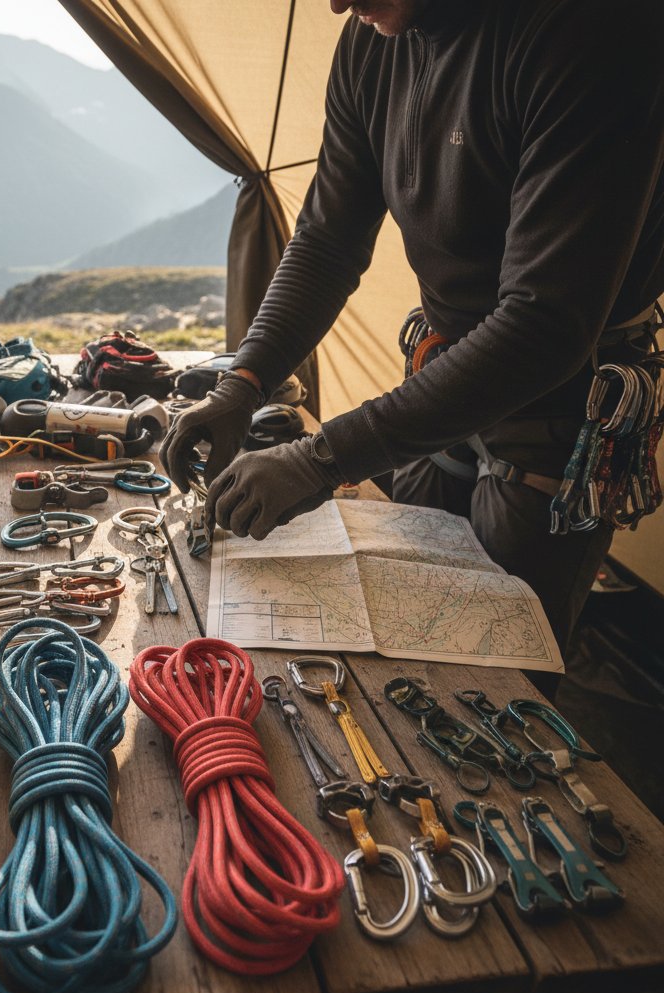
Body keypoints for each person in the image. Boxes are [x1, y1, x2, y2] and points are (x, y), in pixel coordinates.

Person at [160, 0, 664, 667]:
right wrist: (243, 383)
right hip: (442, 371)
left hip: (560, 406)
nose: (338, 3)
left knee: (498, 669)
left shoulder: (593, 29)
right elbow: (327, 240)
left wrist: (320, 460)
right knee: (406, 638)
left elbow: (544, 324)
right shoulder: (373, 43)